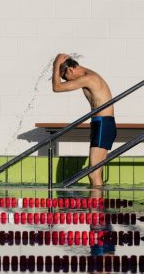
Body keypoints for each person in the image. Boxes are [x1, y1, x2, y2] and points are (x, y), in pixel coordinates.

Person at [52, 53, 117, 187]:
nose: (65, 81)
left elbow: (56, 87)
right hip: (101, 124)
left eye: (64, 77)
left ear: (70, 70)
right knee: (96, 172)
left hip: (103, 124)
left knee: (93, 173)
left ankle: (96, 207)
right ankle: (97, 206)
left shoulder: (88, 78)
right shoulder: (86, 75)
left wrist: (56, 65)